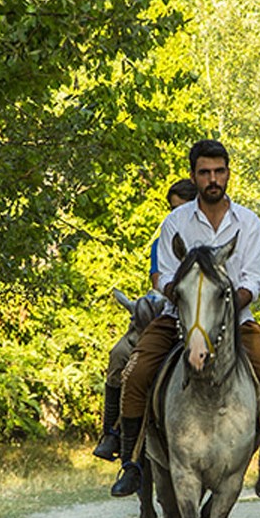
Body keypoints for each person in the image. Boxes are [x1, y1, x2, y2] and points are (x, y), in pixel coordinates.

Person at [110, 140, 260, 510]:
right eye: (205, 172)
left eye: (219, 172)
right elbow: (159, 274)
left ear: (228, 173)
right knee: (135, 370)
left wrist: (226, 307)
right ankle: (130, 463)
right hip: (177, 319)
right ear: (194, 175)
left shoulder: (248, 222)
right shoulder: (175, 222)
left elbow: (255, 279)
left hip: (237, 322)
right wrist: (178, 295)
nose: (213, 179)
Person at [94, 178, 198, 461]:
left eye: (183, 208)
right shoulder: (160, 244)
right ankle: (114, 436)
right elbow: (157, 281)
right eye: (172, 209)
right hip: (169, 315)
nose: (175, 215)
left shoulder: (216, 237)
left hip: (210, 317)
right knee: (120, 355)